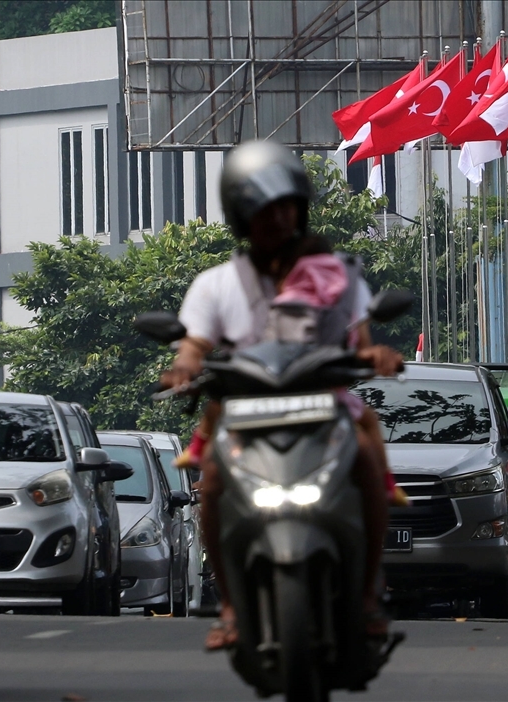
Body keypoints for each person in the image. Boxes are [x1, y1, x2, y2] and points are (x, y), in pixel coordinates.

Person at [161, 140, 403, 651]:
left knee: (366, 455)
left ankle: (365, 594)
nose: (278, 219)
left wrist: (377, 357)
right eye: (264, 210)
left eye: (287, 208)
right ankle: (228, 603)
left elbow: (360, 343)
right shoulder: (215, 285)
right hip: (241, 413)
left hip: (325, 405)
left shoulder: (337, 275)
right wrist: (183, 368)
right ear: (241, 216)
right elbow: (194, 345)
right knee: (212, 483)